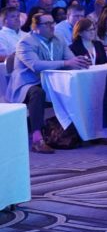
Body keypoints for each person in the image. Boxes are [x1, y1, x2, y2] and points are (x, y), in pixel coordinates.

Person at [7, 13, 90, 153]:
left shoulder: (59, 39)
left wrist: (79, 62)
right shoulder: (25, 42)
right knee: (38, 93)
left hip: (53, 82)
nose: (52, 26)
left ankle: (87, 132)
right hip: (27, 83)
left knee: (78, 87)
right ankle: (37, 139)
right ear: (35, 27)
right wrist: (66, 63)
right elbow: (35, 65)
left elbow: (70, 59)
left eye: (52, 22)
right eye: (47, 24)